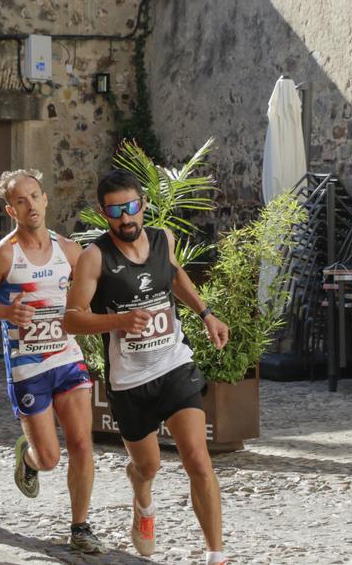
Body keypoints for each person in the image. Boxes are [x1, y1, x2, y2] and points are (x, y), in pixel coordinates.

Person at [64, 169, 231, 565]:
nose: (126, 218)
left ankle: (216, 554)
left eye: (132, 207)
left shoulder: (162, 239)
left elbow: (175, 277)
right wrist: (118, 321)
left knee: (197, 458)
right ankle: (142, 500)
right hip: (130, 382)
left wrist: (206, 313)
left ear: (143, 205)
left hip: (174, 365)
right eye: (116, 211)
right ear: (105, 214)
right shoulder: (95, 257)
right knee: (148, 465)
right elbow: (71, 319)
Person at [0, 169, 105, 554]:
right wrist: (5, 312)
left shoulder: (69, 250)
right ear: (12, 209)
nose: (30, 205)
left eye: (35, 196)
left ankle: (80, 527)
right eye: (21, 201)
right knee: (50, 457)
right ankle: (27, 458)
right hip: (28, 367)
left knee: (81, 444)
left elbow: (91, 290)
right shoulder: (4, 254)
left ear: (45, 200)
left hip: (67, 357)